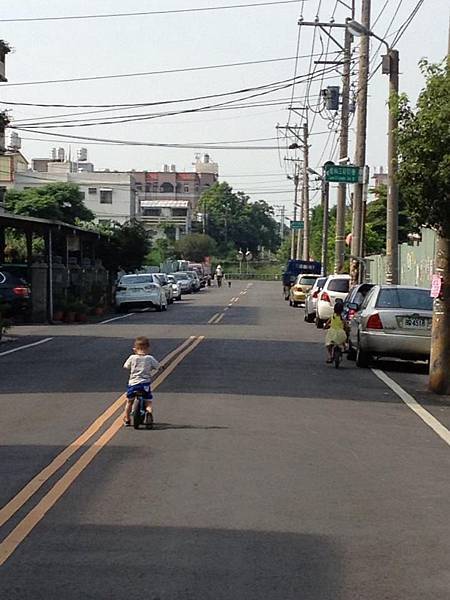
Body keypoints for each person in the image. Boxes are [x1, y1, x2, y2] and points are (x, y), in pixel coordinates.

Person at [123, 336, 161, 426]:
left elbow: (126, 366)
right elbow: (158, 367)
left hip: (133, 384)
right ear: (148, 348)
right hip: (145, 384)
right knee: (148, 401)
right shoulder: (150, 358)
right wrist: (159, 368)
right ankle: (149, 413)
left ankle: (127, 419)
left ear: (135, 349)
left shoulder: (132, 357)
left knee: (129, 402)